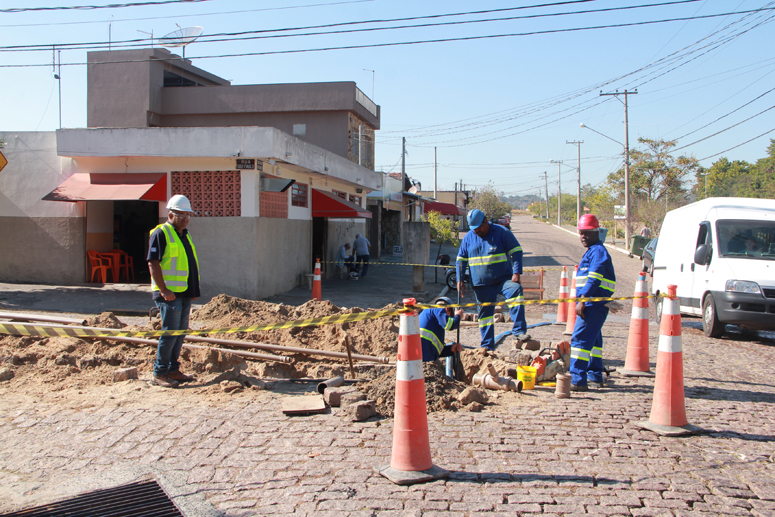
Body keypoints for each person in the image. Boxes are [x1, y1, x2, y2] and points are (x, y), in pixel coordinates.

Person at [456, 209, 529, 350]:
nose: (476, 231)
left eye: (478, 228)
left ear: (485, 221)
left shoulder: (502, 232)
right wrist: (460, 279)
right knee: (485, 316)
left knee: (516, 290)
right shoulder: (468, 238)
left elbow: (516, 251)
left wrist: (517, 272)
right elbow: (461, 260)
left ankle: (519, 331)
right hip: (481, 284)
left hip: (503, 280)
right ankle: (487, 346)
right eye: (473, 229)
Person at [147, 194, 200, 388]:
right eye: (181, 215)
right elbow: (153, 263)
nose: (186, 218)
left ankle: (173, 369)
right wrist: (163, 290)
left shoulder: (184, 235)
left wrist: (192, 290)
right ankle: (160, 372)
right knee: (170, 334)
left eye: (188, 214)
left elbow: (188, 265)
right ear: (170, 214)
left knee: (179, 333)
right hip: (168, 294)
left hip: (184, 293)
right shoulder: (161, 233)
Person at [569, 214, 616, 392]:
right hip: (594, 303)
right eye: (581, 233)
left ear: (597, 232)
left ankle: (577, 379)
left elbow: (594, 279)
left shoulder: (598, 252)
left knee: (580, 340)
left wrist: (583, 300)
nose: (583, 237)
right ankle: (595, 375)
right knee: (594, 341)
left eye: (587, 233)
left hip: (592, 304)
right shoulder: (593, 251)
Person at [420, 296, 464, 362]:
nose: (447, 317)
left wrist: (450, 349)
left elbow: (436, 351)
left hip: (422, 354)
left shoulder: (430, 316)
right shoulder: (438, 309)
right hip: (423, 355)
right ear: (447, 308)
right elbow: (451, 325)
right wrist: (458, 316)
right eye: (449, 316)